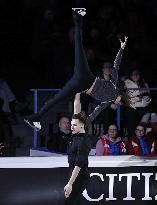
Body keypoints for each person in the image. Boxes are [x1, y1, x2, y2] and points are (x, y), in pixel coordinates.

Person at [25, 8, 128, 131]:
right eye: (119, 101)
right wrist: (122, 47)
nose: (118, 103)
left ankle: (35, 117)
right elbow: (116, 64)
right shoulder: (113, 86)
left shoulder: (107, 101)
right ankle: (77, 16)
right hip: (84, 78)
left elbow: (95, 112)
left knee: (57, 99)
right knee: (78, 47)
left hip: (81, 83)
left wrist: (84, 124)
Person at [64, 111, 91, 205]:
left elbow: (79, 164)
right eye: (71, 124)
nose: (71, 127)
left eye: (74, 125)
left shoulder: (83, 141)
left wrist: (70, 184)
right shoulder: (75, 136)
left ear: (82, 125)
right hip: (74, 175)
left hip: (80, 177)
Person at [123, 69, 151, 138]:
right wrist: (138, 97)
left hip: (142, 106)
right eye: (133, 74)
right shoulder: (127, 84)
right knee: (131, 113)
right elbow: (126, 98)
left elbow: (148, 99)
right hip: (132, 107)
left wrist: (140, 97)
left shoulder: (144, 84)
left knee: (147, 112)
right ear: (131, 76)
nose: (135, 76)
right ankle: (131, 138)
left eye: (137, 74)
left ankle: (143, 137)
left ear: (140, 76)